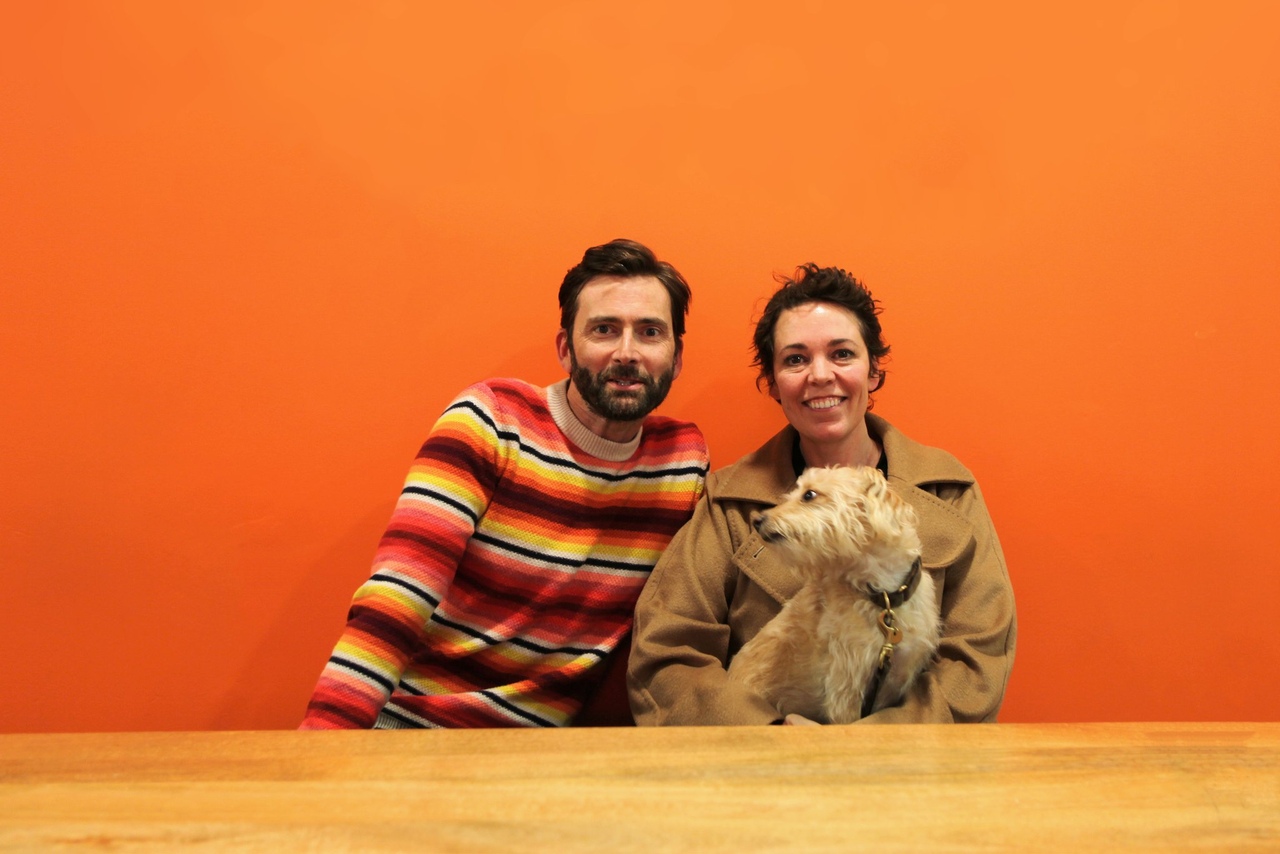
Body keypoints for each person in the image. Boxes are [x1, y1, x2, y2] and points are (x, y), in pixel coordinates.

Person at [302, 239, 709, 729]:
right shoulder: (492, 419)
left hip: (540, 753)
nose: (627, 353)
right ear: (566, 349)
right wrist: (324, 745)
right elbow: (400, 592)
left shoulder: (682, 463)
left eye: (650, 332)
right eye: (604, 330)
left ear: (676, 357)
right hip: (410, 728)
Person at [627, 264, 1016, 725]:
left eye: (842, 354)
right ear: (774, 384)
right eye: (795, 359)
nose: (820, 375)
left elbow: (976, 663)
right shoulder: (730, 503)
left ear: (873, 371)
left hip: (911, 760)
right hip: (758, 757)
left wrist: (871, 744)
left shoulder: (949, 490)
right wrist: (772, 735)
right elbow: (668, 653)